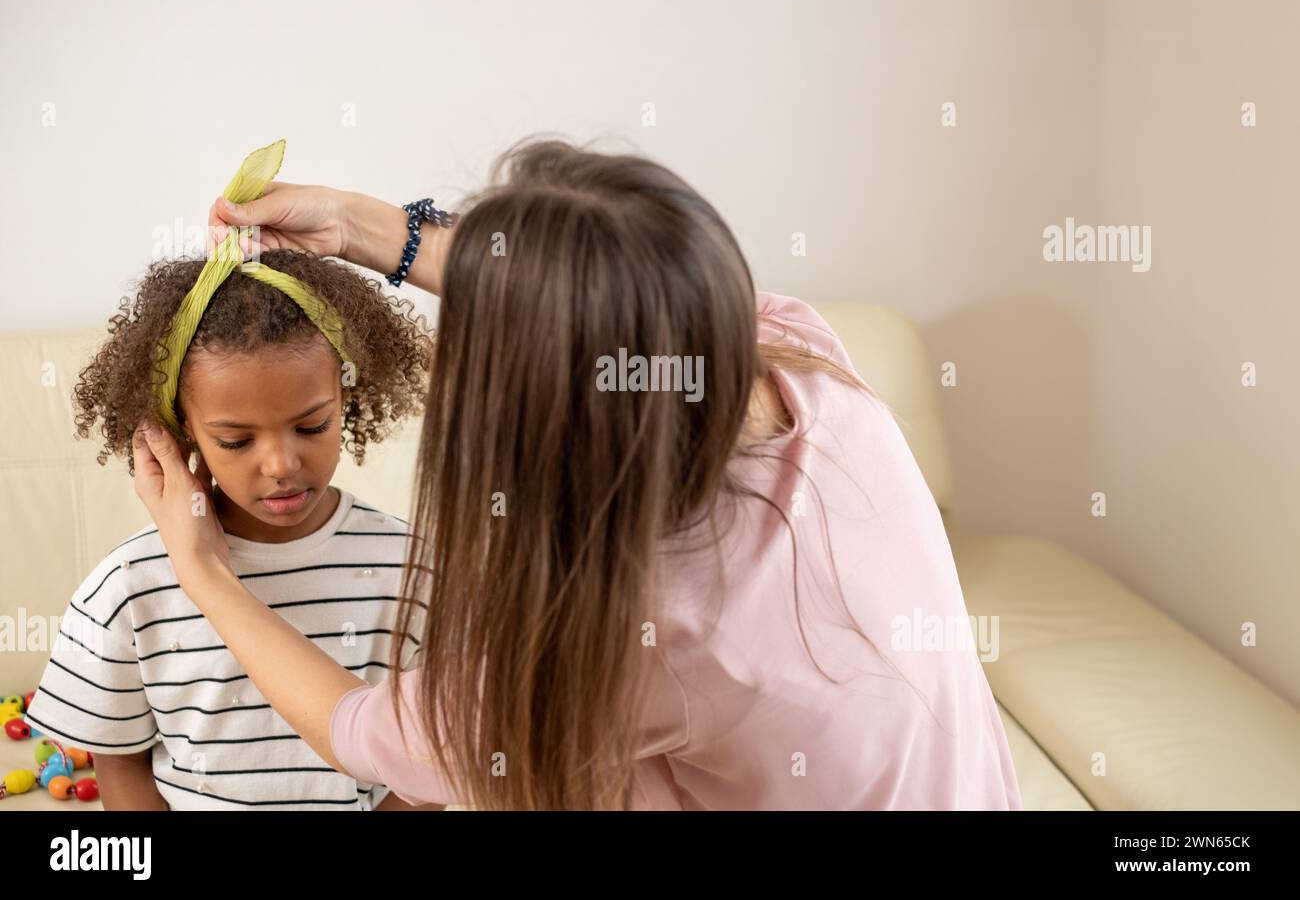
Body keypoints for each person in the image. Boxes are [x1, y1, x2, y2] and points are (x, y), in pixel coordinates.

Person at [133, 133, 1023, 810]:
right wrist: (364, 227)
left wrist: (207, 575)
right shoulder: (794, 356)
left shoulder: (659, 619)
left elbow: (378, 735)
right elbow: (629, 290)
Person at [27, 239, 437, 810]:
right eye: (236, 440)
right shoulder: (129, 586)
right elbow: (120, 764)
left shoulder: (414, 568)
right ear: (181, 429)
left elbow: (432, 761)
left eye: (312, 426)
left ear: (347, 395)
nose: (281, 465)